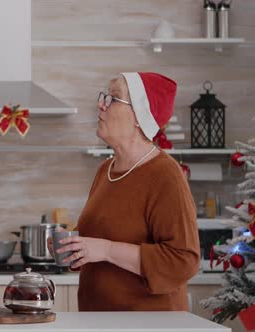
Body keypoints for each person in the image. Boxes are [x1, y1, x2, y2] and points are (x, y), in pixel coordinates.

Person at [54, 72, 200, 311]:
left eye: (113, 98)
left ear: (139, 116)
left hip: (148, 325)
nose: (100, 104)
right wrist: (72, 247)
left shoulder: (165, 175)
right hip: (99, 322)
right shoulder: (106, 170)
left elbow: (183, 261)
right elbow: (99, 246)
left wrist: (107, 250)